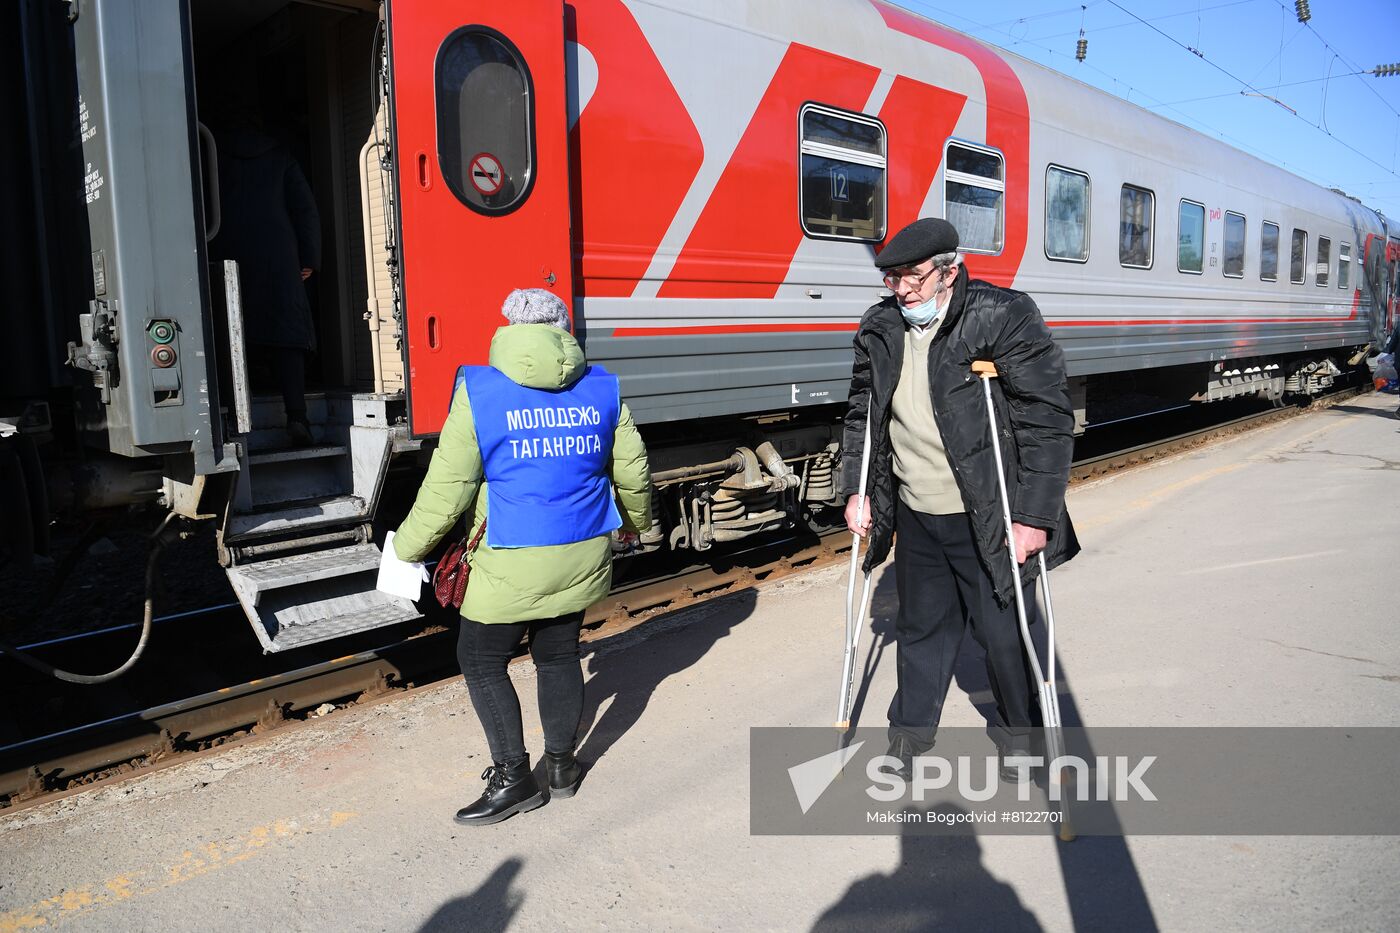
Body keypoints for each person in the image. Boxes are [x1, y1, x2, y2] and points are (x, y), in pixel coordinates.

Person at [391, 288, 651, 826]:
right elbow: (633, 471)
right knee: (557, 655)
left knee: (481, 659)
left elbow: (449, 487)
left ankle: (513, 779)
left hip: (510, 554)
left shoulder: (480, 390)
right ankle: (561, 768)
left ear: (508, 326)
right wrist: (637, 525)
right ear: (563, 329)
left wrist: (406, 549)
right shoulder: (601, 387)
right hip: (581, 551)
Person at [839, 218, 1079, 779]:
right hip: (918, 512)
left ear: (950, 271)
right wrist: (857, 489)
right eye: (891, 277)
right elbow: (862, 413)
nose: (902, 289)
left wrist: (1034, 517)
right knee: (919, 628)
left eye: (914, 277)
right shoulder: (880, 327)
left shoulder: (1003, 314)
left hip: (989, 513)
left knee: (1001, 632)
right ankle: (909, 734)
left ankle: (1021, 734)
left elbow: (1047, 420)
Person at [210, 119, 321, 445]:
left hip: (226, 253)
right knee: (287, 337)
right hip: (279, 257)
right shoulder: (280, 155)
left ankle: (231, 420)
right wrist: (309, 259)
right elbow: (305, 209)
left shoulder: (212, 152)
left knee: (231, 332)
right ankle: (297, 416)